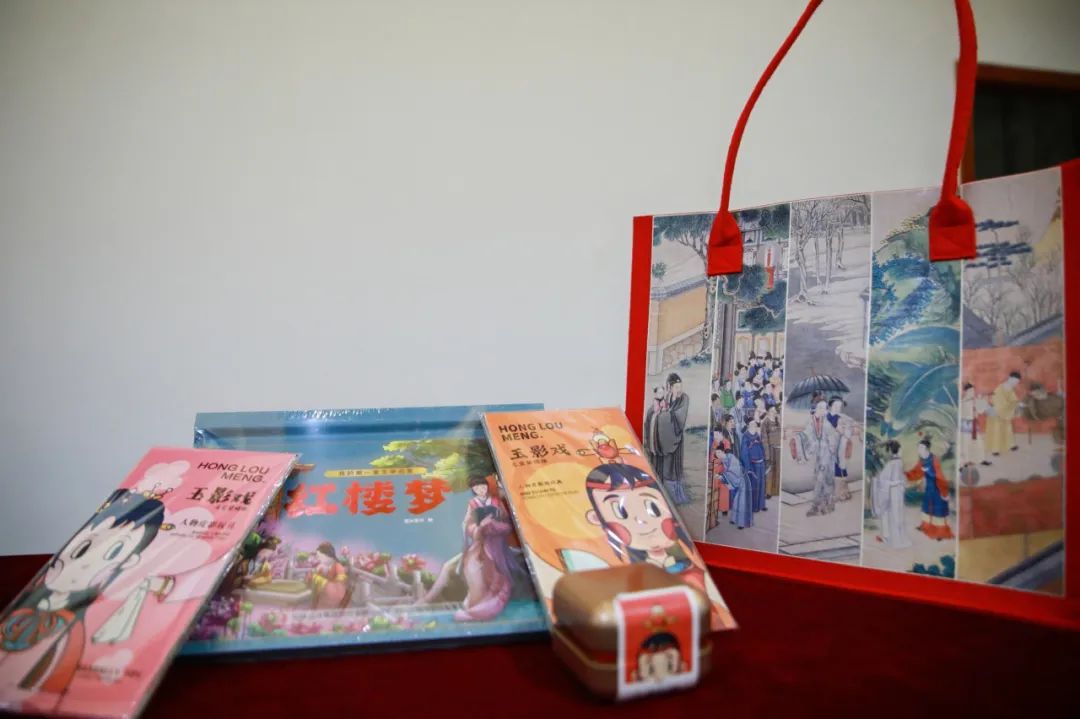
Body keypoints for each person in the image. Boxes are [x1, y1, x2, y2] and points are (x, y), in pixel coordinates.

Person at [0, 489, 166, 701]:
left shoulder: (70, 631)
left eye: (113, 553)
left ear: (129, 562)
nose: (85, 563)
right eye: (82, 548)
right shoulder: (31, 598)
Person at [455, 475, 519, 621]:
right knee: (471, 565)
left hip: (497, 542)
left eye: (483, 487)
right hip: (481, 540)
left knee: (495, 569)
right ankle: (476, 601)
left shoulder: (496, 501)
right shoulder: (472, 503)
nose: (480, 490)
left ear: (487, 486)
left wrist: (494, 525)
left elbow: (508, 523)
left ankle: (490, 603)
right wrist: (479, 527)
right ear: (473, 490)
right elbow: (467, 524)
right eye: (477, 488)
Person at [791, 399, 842, 516]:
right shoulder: (811, 422)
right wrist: (797, 438)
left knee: (825, 480)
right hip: (820, 455)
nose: (824, 410)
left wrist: (831, 445)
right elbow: (806, 434)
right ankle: (818, 506)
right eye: (821, 407)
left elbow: (833, 436)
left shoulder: (826, 422)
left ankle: (824, 506)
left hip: (828, 455)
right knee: (819, 479)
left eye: (825, 408)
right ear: (816, 408)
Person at [905, 437, 953, 540]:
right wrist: (906, 475)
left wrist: (944, 492)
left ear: (927, 449)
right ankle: (925, 526)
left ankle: (940, 532)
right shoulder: (922, 460)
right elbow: (916, 472)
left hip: (937, 488)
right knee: (926, 507)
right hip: (929, 489)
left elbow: (940, 476)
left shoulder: (934, 460)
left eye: (921, 448)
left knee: (938, 511)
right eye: (918, 448)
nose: (919, 450)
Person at [656, 373, 691, 505]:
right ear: (670, 388)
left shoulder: (684, 399)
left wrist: (666, 415)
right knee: (666, 465)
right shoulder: (666, 398)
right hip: (666, 438)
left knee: (675, 467)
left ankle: (677, 495)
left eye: (680, 386)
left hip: (676, 437)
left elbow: (680, 417)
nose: (679, 389)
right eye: (676, 387)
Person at [871, 440, 911, 549]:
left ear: (889, 451)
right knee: (897, 514)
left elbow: (883, 480)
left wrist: (876, 481)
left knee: (891, 513)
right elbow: (901, 478)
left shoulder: (891, 464)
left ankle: (890, 538)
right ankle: (896, 538)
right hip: (897, 491)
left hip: (891, 491)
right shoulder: (899, 462)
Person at [986, 371, 1021, 456]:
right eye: (1014, 381)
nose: (1015, 383)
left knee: (1008, 429)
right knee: (997, 430)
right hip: (996, 412)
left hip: (1006, 412)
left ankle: (1010, 445)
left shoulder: (1010, 389)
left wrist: (1016, 404)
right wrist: (1011, 406)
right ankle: (995, 449)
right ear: (1010, 378)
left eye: (1017, 382)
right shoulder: (1000, 388)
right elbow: (999, 403)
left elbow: (1014, 400)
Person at [826, 396, 853, 502]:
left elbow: (848, 433)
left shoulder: (842, 418)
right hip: (827, 447)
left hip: (839, 447)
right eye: (836, 406)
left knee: (840, 467)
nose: (838, 408)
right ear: (830, 406)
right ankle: (833, 493)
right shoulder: (826, 417)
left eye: (840, 406)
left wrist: (842, 431)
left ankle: (842, 492)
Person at [308, 542, 349, 609]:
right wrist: (312, 576)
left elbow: (339, 592)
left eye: (319, 557)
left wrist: (318, 579)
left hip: (333, 605)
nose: (318, 559)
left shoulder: (338, 567)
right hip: (320, 601)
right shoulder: (322, 567)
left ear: (327, 555)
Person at [718, 451, 753, 529]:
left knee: (742, 502)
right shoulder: (724, 460)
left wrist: (723, 477)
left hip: (743, 480)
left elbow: (734, 471)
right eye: (717, 454)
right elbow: (728, 473)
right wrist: (723, 477)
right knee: (736, 500)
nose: (718, 455)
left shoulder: (731, 457)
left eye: (718, 453)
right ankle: (734, 519)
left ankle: (742, 523)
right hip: (738, 480)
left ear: (722, 452)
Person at [959, 383, 991, 467]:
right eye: (970, 391)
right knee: (966, 443)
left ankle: (980, 459)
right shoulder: (962, 401)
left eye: (973, 391)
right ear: (966, 391)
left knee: (978, 442)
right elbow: (962, 414)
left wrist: (983, 399)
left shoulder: (974, 400)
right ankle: (965, 461)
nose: (972, 392)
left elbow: (980, 411)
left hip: (973, 424)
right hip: (966, 425)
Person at [740, 418, 767, 512]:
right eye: (753, 424)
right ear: (749, 425)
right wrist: (748, 467)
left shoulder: (757, 435)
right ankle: (753, 506)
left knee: (762, 484)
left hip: (761, 463)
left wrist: (763, 458)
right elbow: (744, 453)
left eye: (755, 425)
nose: (755, 426)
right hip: (753, 465)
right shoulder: (745, 436)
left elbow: (762, 448)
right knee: (754, 485)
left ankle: (761, 505)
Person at [761, 404, 782, 498]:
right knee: (769, 470)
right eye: (773, 410)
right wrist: (767, 454)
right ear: (768, 411)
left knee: (778, 469)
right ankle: (768, 492)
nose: (775, 412)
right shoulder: (765, 422)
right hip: (770, 449)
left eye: (775, 410)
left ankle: (775, 491)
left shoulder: (778, 421)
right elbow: (764, 439)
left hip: (778, 448)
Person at [642, 387, 665, 470]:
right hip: (653, 437)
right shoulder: (652, 409)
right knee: (653, 455)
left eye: (662, 393)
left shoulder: (665, 406)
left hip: (661, 437)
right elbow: (647, 424)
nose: (661, 395)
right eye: (659, 393)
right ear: (655, 394)